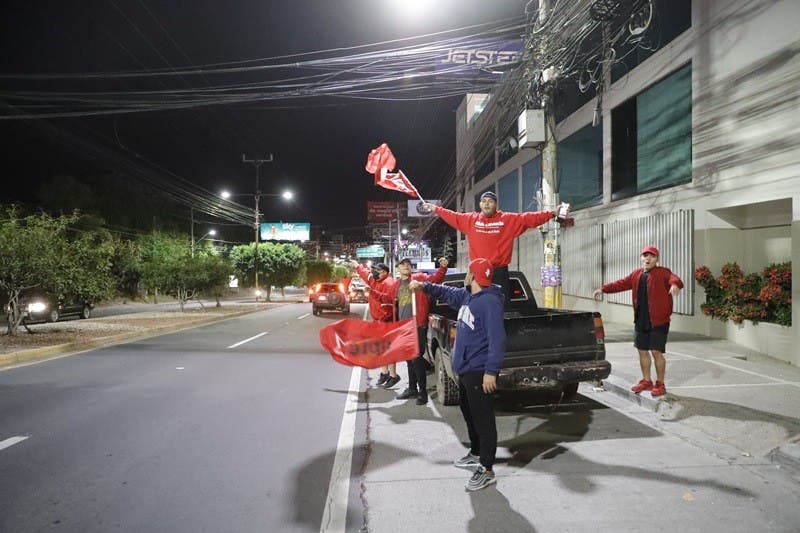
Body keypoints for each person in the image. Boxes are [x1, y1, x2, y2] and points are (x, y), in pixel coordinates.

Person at [410, 258, 505, 491]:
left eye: (468, 272)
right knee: (468, 411)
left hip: (479, 369)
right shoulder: (468, 297)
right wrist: (423, 286)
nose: (466, 276)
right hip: (464, 369)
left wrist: (491, 372)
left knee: (483, 419)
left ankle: (487, 468)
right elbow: (447, 292)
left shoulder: (489, 302)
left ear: (472, 276)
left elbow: (498, 340)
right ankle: (475, 452)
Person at [420, 192, 570, 302]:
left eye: (490, 201)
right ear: (480, 205)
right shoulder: (470, 220)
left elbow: (530, 218)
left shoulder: (507, 220)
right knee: (474, 306)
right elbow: (452, 215)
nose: (486, 204)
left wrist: (552, 213)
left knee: (500, 309)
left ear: (496, 204)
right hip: (476, 274)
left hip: (498, 273)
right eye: (483, 201)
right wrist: (435, 208)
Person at [592, 245, 684, 397]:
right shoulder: (636, 274)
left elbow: (674, 278)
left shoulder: (663, 272)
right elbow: (621, 284)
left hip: (658, 321)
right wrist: (603, 289)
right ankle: (646, 381)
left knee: (656, 352)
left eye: (652, 256)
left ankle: (660, 384)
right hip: (641, 319)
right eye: (645, 255)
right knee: (642, 351)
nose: (648, 258)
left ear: (656, 259)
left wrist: (674, 285)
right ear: (641, 258)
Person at [382, 256, 449, 405]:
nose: (406, 266)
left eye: (408, 264)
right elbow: (386, 297)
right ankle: (412, 388)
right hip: (403, 327)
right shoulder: (396, 285)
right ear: (398, 268)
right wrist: (371, 291)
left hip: (417, 325)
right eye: (403, 264)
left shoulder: (419, 278)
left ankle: (422, 392)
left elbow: (435, 279)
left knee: (416, 358)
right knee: (409, 358)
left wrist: (443, 268)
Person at [352, 261, 400, 388]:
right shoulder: (376, 280)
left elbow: (388, 302)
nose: (373, 272)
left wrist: (382, 320)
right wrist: (357, 266)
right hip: (378, 320)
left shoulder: (388, 283)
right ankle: (385, 373)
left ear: (384, 272)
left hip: (385, 321)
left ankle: (393, 375)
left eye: (376, 271)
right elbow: (366, 275)